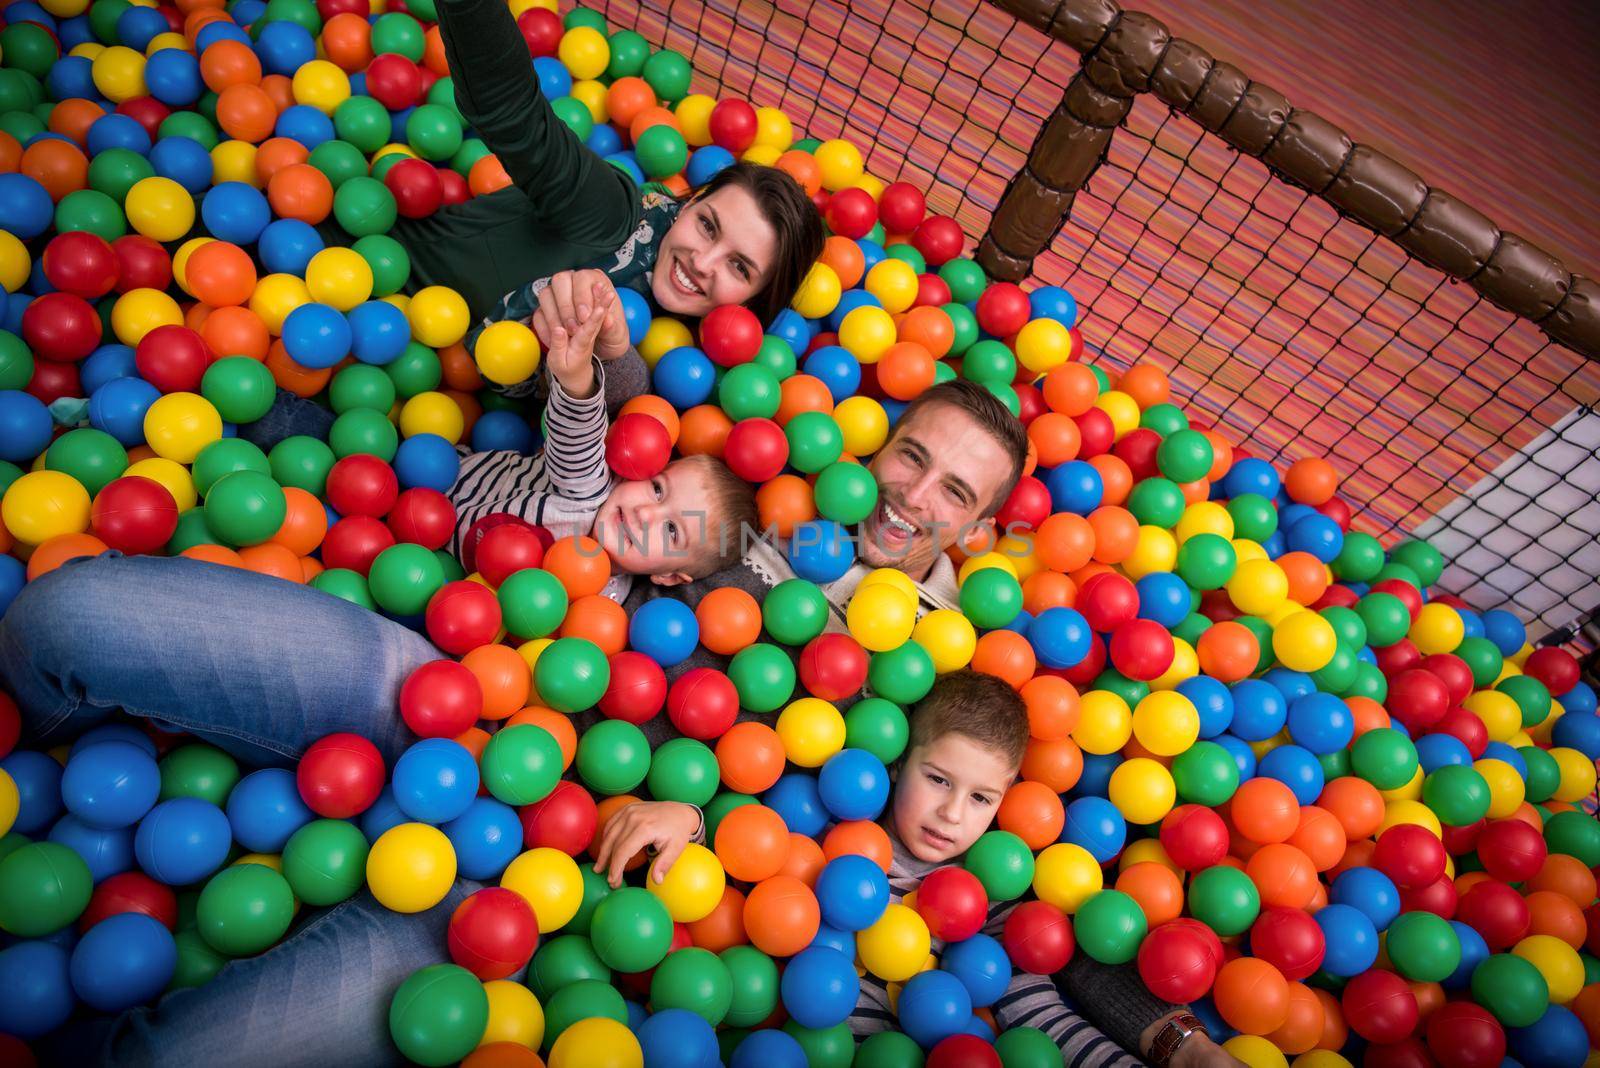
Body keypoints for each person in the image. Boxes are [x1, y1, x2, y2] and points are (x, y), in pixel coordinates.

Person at [853, 669, 1239, 1068]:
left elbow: (1040, 1016)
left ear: (1004, 799)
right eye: (937, 779)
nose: (952, 813)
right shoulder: (833, 852)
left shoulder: (995, 896)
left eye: (981, 799)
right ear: (899, 762)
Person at [445, 284, 757, 589]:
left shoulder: (606, 602)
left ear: (670, 577)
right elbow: (577, 438)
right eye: (658, 490)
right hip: (448, 484)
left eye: (672, 530)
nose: (646, 513)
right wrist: (577, 381)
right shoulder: (590, 492)